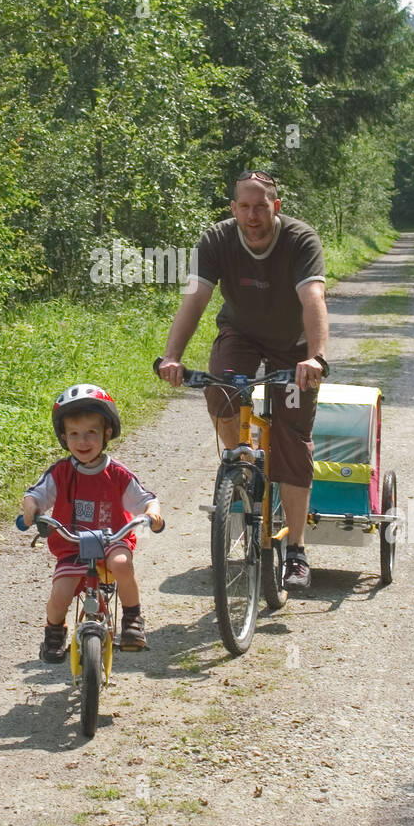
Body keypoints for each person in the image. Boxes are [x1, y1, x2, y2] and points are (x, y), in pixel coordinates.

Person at [157, 170, 328, 588]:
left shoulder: (300, 240)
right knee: (221, 392)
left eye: (261, 206)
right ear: (233, 209)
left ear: (276, 207)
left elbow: (313, 299)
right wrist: (173, 356)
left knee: (292, 438)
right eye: (244, 207)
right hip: (242, 334)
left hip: (293, 343)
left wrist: (316, 358)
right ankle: (242, 463)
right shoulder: (217, 239)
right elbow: (195, 298)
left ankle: (297, 552)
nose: (253, 215)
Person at [21, 384, 164, 662]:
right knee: (60, 594)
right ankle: (54, 630)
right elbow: (36, 495)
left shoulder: (117, 474)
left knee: (122, 564)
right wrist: (32, 508)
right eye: (74, 434)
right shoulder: (61, 473)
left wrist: (152, 513)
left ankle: (132, 619)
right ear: (64, 437)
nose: (82, 441)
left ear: (106, 434)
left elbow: (146, 499)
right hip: (72, 544)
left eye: (91, 433)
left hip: (112, 540)